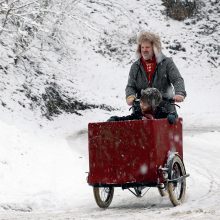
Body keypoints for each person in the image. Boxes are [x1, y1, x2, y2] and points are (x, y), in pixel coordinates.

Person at [125, 31, 186, 109]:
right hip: (141, 109)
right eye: (142, 47)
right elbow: (130, 86)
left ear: (154, 48)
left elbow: (177, 79)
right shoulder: (135, 66)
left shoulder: (166, 63)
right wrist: (130, 96)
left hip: (165, 108)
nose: (144, 50)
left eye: (147, 47)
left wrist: (179, 93)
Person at [107, 88, 177, 124]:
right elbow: (127, 119)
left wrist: (172, 116)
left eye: (145, 104)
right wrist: (116, 119)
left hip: (157, 141)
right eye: (141, 102)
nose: (141, 105)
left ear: (153, 105)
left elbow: (171, 115)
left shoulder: (160, 113)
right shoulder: (138, 114)